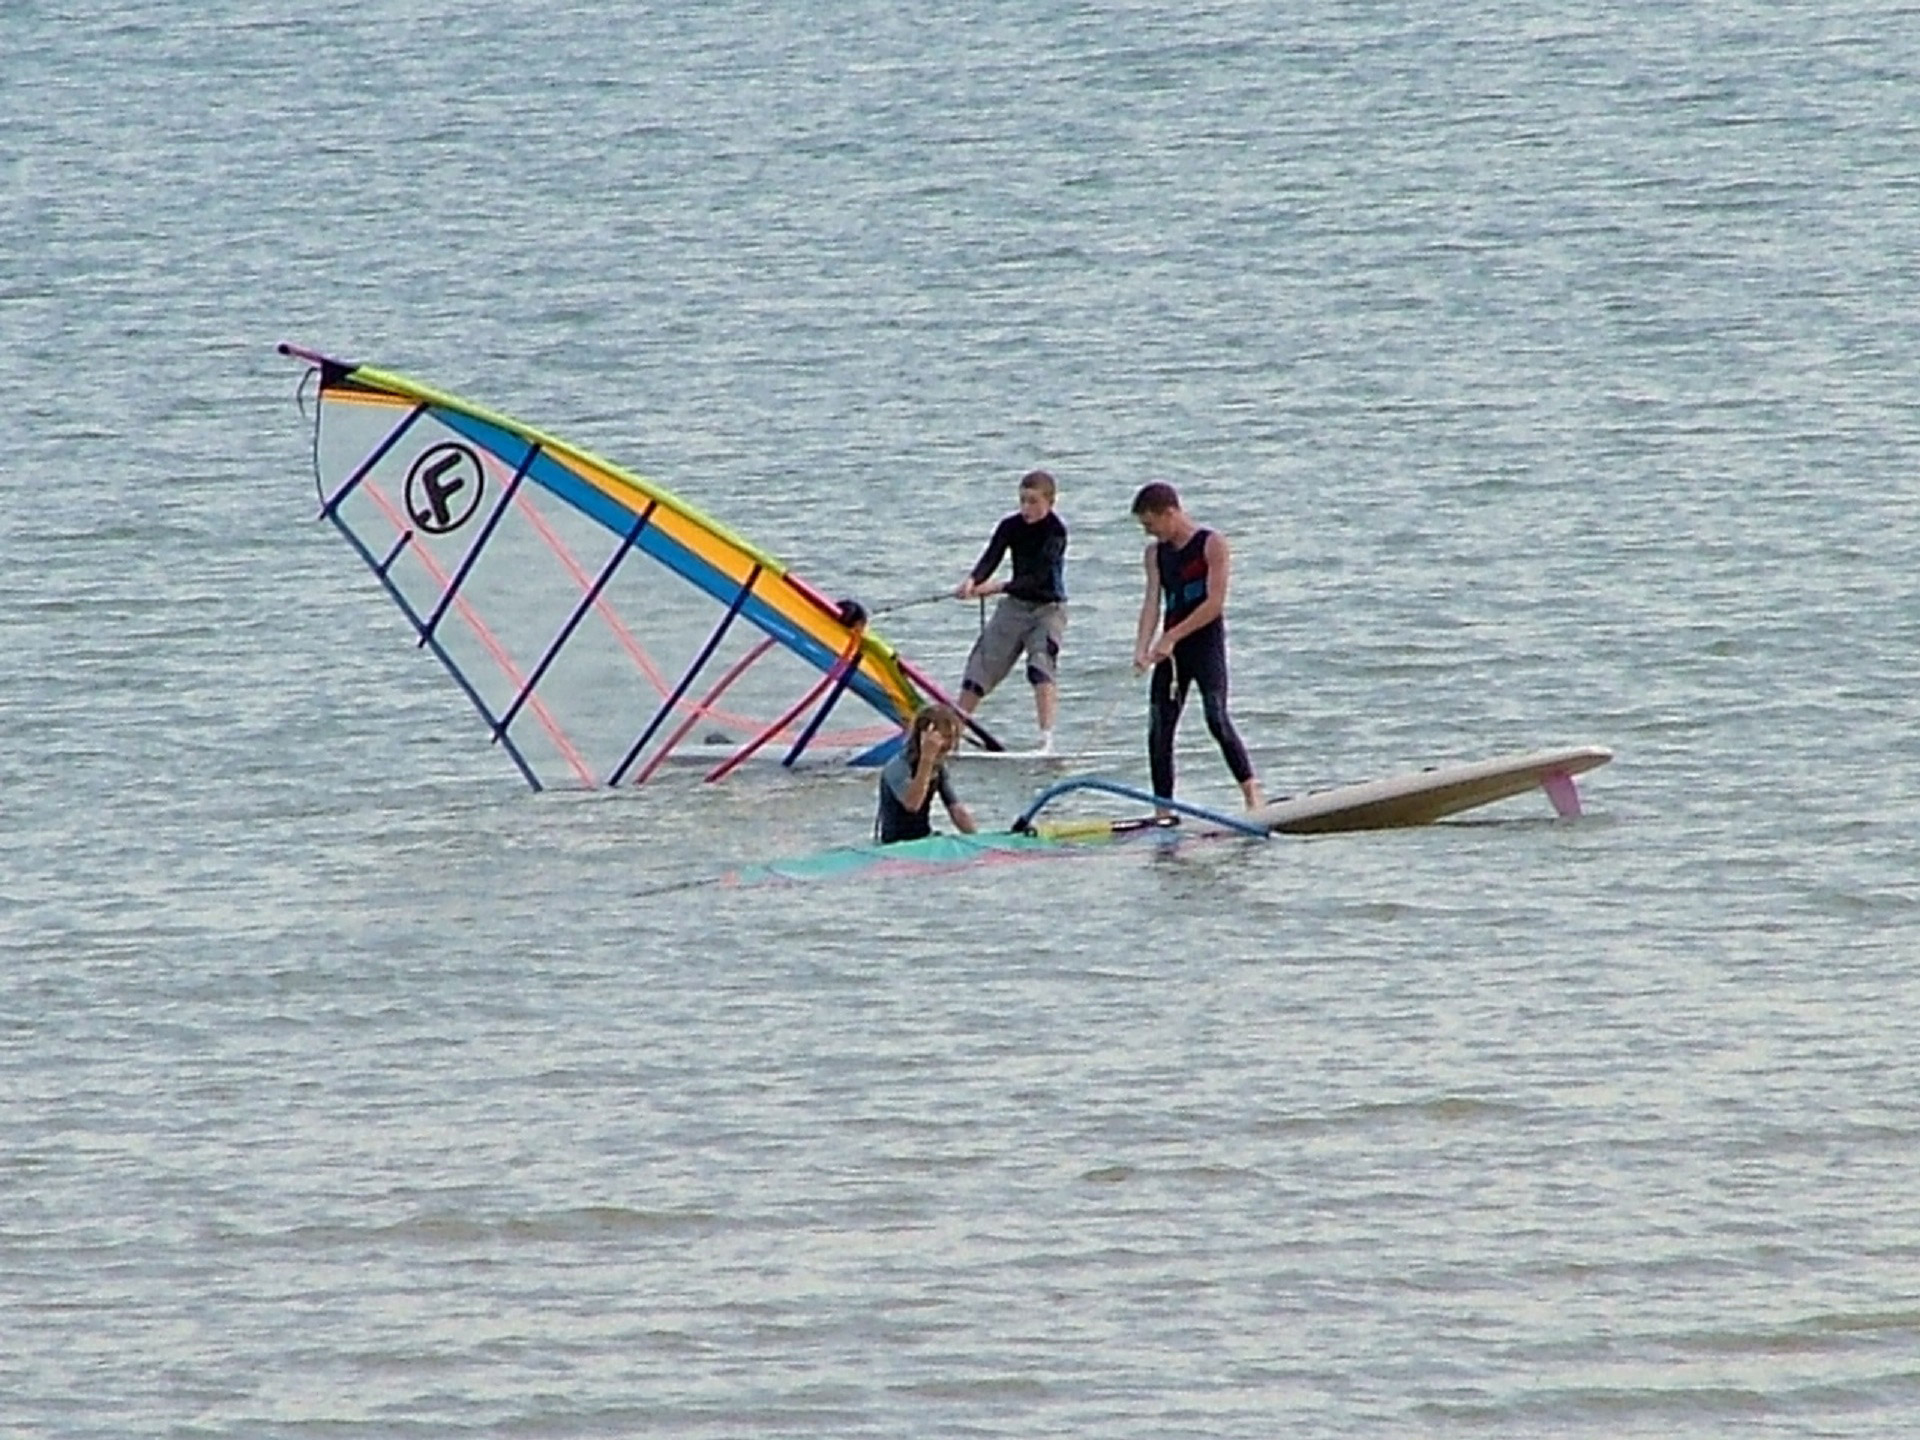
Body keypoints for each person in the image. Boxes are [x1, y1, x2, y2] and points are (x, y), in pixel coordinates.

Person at [1131, 482, 1265, 813]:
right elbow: (1152, 602)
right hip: (1170, 650)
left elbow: (1214, 604)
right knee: (1159, 728)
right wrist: (1142, 646)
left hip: (1204, 644)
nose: (1149, 533)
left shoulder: (1212, 544)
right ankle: (1163, 808)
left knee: (1216, 719)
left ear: (1170, 513)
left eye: (1150, 524)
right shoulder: (1155, 554)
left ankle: (1252, 795)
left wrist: (1172, 636)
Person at [954, 469, 1068, 754]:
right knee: (981, 665)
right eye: (1022, 501)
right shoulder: (1010, 526)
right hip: (1014, 607)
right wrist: (973, 580)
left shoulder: (1056, 531)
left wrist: (997, 587)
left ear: (1049, 502)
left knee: (1040, 665)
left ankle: (1046, 741)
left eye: (1033, 502)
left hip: (1048, 608)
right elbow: (992, 556)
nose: (1026, 508)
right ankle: (954, 732)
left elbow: (1040, 577)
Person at [875, 703, 978, 844]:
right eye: (944, 737)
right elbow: (912, 804)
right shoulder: (897, 766)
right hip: (895, 843)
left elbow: (955, 809)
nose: (948, 744)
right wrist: (927, 758)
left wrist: (976, 839)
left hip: (923, 837)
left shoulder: (938, 766)